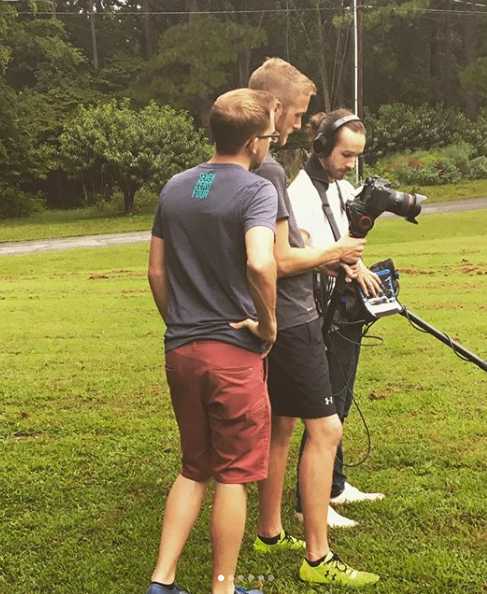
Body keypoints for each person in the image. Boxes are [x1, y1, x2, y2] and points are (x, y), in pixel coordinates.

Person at [248, 58, 379, 586]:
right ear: (275, 108)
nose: (300, 124)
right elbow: (276, 260)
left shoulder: (228, 169)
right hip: (293, 318)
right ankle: (318, 558)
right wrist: (334, 253)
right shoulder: (271, 172)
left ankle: (270, 531)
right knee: (325, 429)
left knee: (281, 425)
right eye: (299, 114)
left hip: (271, 316)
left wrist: (319, 258)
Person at [146, 88, 280, 594]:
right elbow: (261, 262)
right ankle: (223, 588)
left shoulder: (176, 187)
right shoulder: (256, 190)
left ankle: (162, 582)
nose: (270, 145)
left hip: (180, 351)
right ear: (252, 142)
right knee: (233, 475)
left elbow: (156, 271)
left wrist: (181, 321)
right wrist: (268, 326)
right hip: (233, 354)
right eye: (270, 137)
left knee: (193, 467)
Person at [288, 109, 386, 530]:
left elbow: (346, 243)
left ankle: (334, 485)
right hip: (315, 312)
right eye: (346, 155)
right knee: (323, 407)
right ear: (322, 146)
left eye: (357, 156)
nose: (351, 164)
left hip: (344, 308)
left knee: (340, 399)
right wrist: (341, 262)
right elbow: (300, 256)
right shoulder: (299, 195)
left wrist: (358, 267)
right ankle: (307, 502)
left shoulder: (341, 187)